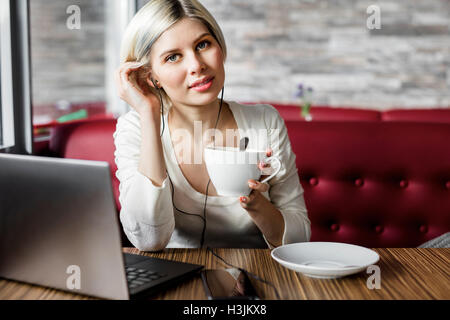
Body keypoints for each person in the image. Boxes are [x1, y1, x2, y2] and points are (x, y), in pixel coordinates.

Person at [114, 0, 310, 251]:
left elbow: (301, 240)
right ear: (151, 77)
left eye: (203, 44)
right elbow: (149, 241)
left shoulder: (265, 121)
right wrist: (149, 114)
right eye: (173, 57)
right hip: (178, 278)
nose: (197, 66)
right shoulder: (135, 127)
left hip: (260, 274)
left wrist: (257, 204)